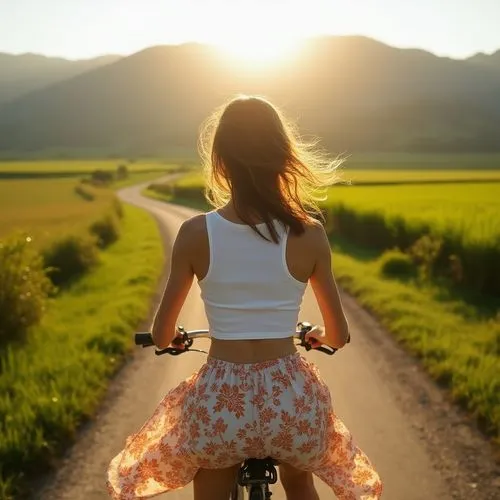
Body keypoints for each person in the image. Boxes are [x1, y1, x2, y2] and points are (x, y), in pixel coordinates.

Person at [107, 95, 382, 499]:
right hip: (290, 401)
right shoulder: (310, 235)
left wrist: (175, 338)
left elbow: (162, 336)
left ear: (220, 162)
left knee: (210, 477)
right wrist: (318, 335)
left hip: (221, 401)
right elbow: (338, 336)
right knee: (300, 480)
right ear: (282, 157)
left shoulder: (195, 233)